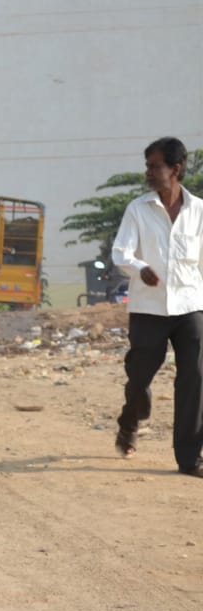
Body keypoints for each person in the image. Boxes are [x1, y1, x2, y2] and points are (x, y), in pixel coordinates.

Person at [111, 137, 203, 478]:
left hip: (191, 306)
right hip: (149, 308)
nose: (148, 172)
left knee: (195, 378)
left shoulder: (199, 211)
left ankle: (190, 459)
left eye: (154, 166)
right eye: (147, 165)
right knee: (139, 378)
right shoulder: (138, 208)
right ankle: (130, 421)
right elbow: (121, 252)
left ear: (174, 170)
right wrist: (139, 268)